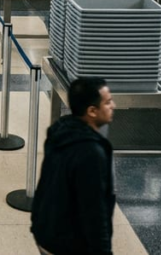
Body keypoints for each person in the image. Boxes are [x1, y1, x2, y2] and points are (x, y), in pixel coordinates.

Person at [31, 77, 116, 255]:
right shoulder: (91, 152)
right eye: (108, 102)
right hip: (69, 244)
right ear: (92, 111)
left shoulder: (60, 131)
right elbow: (93, 210)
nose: (113, 106)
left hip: (46, 230)